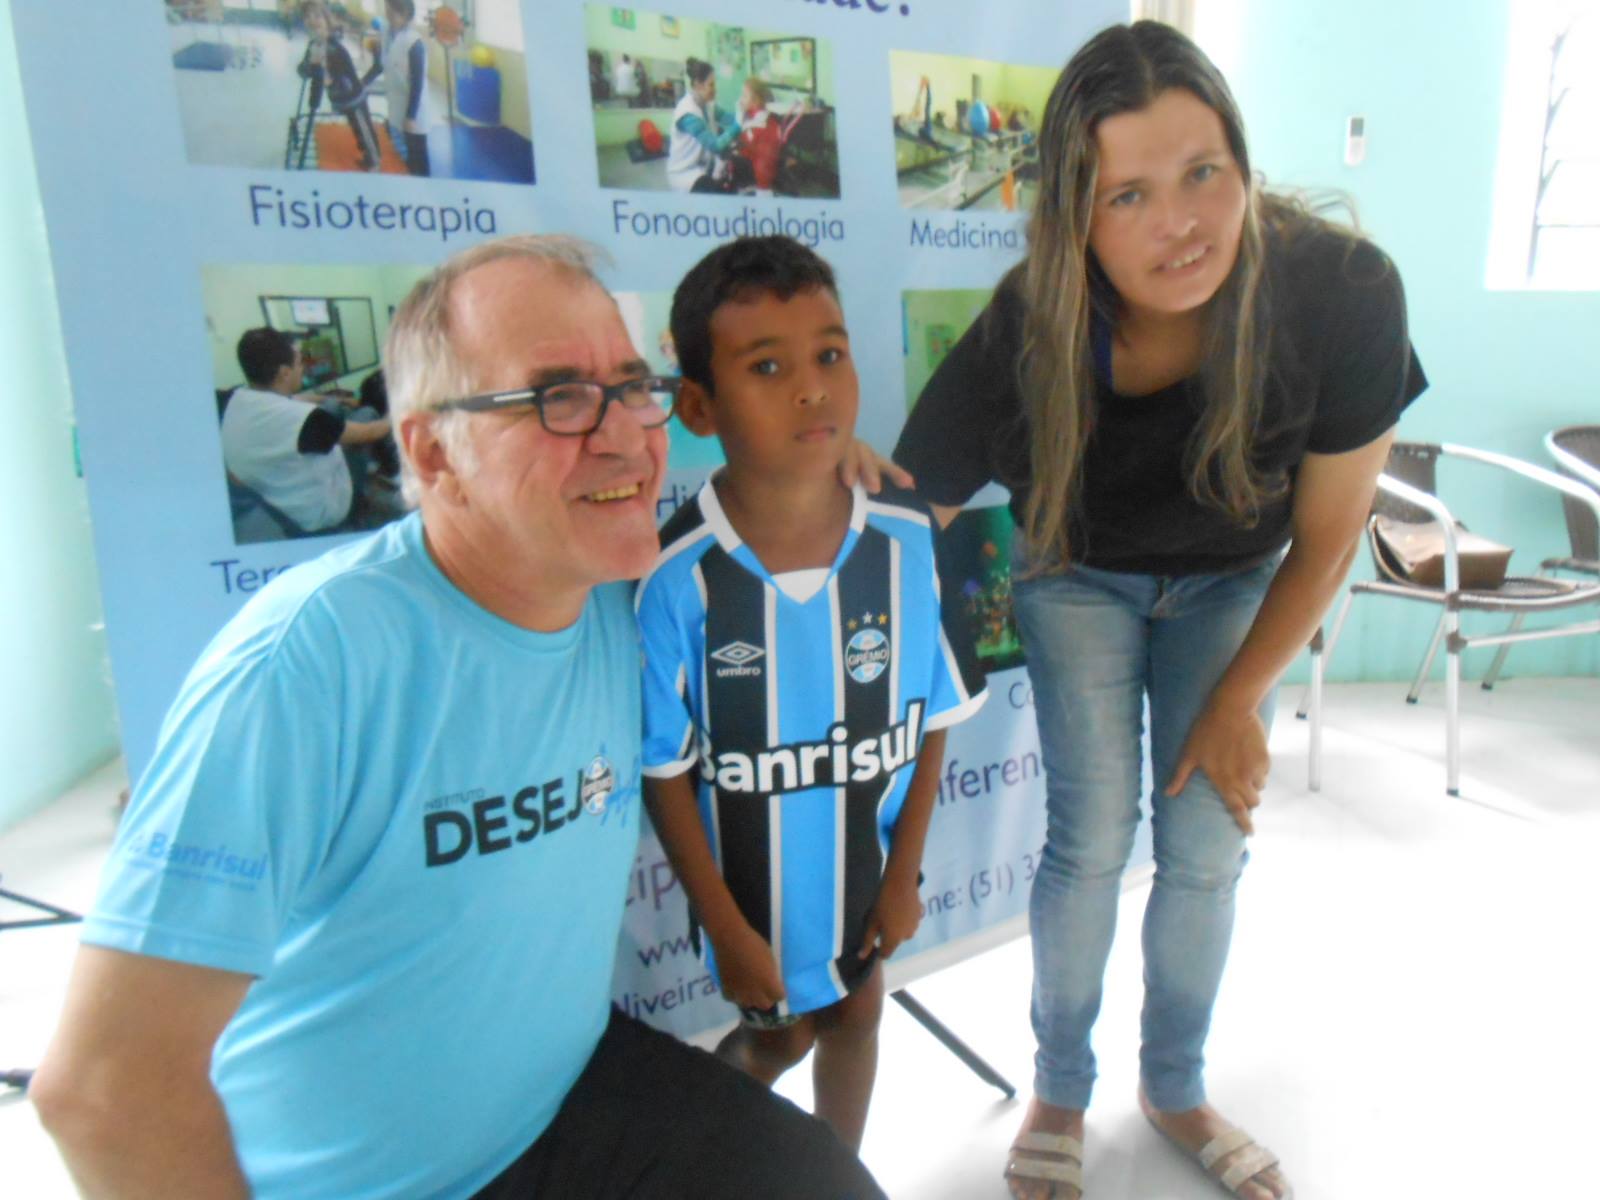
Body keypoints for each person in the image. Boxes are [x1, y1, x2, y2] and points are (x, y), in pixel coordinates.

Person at [30, 235, 888, 1200]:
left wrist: (831, 458)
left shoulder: (629, 594)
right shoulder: (312, 663)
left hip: (566, 1095)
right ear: (436, 450)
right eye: (556, 397)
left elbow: (778, 509)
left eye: (631, 385)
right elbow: (102, 1089)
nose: (623, 436)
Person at [894, 21, 1427, 1200]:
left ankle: (1173, 1084)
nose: (1177, 223)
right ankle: (1059, 1089)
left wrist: (1239, 699)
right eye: (1126, 194)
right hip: (1074, 573)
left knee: (1205, 845)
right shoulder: (1031, 318)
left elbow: (1330, 534)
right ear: (1075, 213)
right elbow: (910, 503)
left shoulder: (1341, 292)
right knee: (1090, 842)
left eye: (1202, 174)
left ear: (1242, 161)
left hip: (1240, 577)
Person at [639, 236, 988, 1151]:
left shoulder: (906, 537)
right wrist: (724, 925)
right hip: (752, 907)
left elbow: (935, 714)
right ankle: (686, 1164)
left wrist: (905, 870)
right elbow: (663, 772)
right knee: (780, 1036)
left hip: (866, 886)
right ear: (699, 407)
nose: (812, 387)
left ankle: (841, 1173)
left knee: (860, 1015)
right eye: (768, 366)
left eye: (830, 354)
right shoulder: (674, 579)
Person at [220, 327, 392, 535]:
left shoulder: (237, 397)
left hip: (276, 496)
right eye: (300, 362)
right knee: (367, 413)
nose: (304, 368)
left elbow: (298, 399)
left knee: (332, 408)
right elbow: (372, 432)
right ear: (284, 373)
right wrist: (401, 412)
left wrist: (341, 400)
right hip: (325, 512)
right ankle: (375, 480)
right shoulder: (306, 420)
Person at [297, 0, 382, 171]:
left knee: (362, 128)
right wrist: (311, 66)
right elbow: (303, 71)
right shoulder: (313, 45)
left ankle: (374, 159)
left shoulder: (336, 48)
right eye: (308, 18)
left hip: (353, 97)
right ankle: (369, 154)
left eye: (317, 17)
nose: (312, 21)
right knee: (355, 127)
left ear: (327, 20)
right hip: (338, 97)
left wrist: (326, 75)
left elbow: (347, 76)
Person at [667, 57, 745, 193]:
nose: (715, 90)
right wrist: (738, 125)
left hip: (703, 165)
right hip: (685, 172)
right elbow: (715, 145)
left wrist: (746, 112)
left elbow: (727, 117)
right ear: (698, 85)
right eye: (711, 85)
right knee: (717, 195)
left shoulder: (708, 104)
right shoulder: (687, 113)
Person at [379, 0, 429, 176]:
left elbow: (418, 83)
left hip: (413, 110)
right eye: (388, 10)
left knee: (418, 158)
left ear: (407, 13)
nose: (390, 15)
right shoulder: (386, 32)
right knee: (401, 155)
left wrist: (411, 116)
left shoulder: (414, 42)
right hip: (395, 104)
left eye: (395, 12)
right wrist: (362, 83)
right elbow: (381, 64)